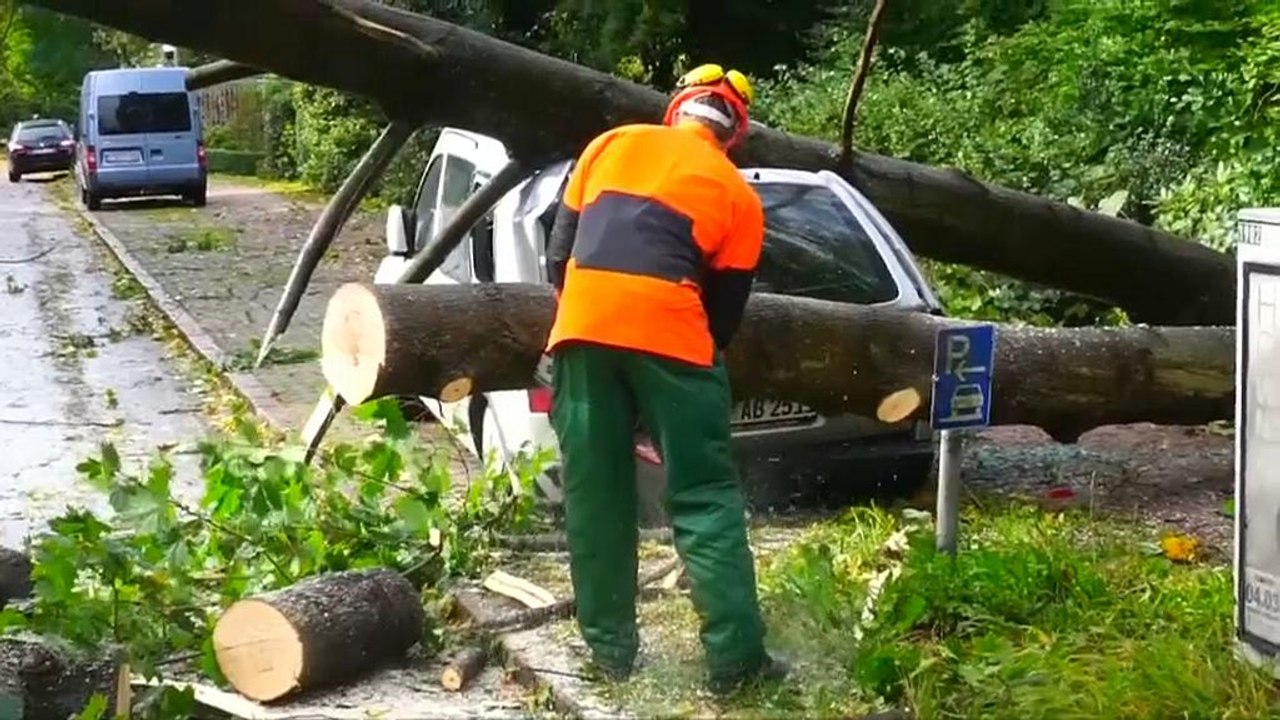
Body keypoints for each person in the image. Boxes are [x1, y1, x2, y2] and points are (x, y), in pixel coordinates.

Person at [543, 63, 789, 694]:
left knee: (595, 498)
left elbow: (557, 255)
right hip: (675, 337)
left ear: (676, 108)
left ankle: (611, 657)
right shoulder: (738, 195)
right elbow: (723, 317)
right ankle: (737, 667)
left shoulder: (610, 144)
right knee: (704, 497)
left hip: (582, 328)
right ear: (735, 132)